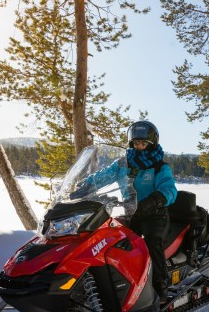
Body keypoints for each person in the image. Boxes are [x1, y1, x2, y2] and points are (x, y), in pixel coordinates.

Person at [73, 120, 177, 302]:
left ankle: (161, 287)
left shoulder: (160, 167)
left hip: (155, 215)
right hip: (132, 215)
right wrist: (84, 185)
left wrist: (154, 199)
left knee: (151, 242)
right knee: (112, 242)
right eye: (136, 143)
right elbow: (102, 176)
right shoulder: (123, 163)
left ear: (152, 144)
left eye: (143, 143)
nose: (139, 147)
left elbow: (169, 190)